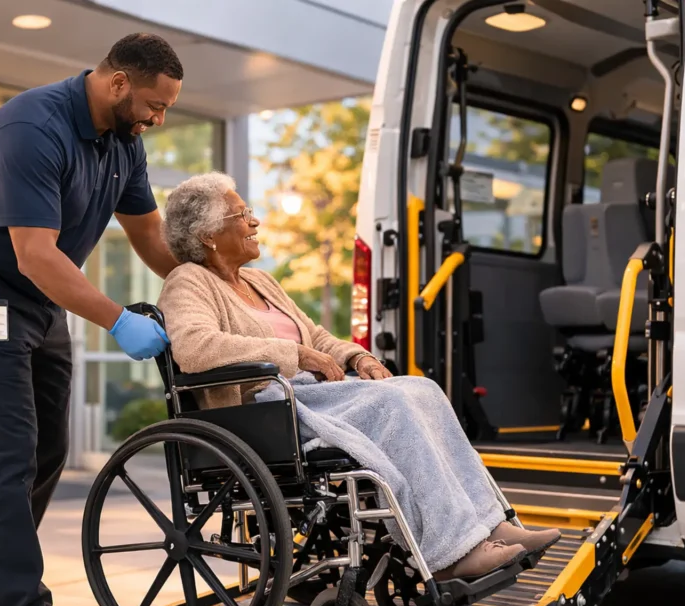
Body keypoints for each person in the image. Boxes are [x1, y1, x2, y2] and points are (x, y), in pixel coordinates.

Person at [155, 172, 562, 583]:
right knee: (393, 403)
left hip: (309, 393)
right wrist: (291, 355)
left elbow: (313, 336)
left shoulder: (260, 282)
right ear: (207, 234)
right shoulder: (188, 281)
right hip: (268, 407)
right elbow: (193, 347)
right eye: (243, 214)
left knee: (423, 388)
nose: (255, 222)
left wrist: (357, 357)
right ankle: (454, 551)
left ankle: (492, 524)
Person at [0, 33, 183, 606]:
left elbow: (147, 230)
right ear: (118, 82)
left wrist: (196, 287)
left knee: (45, 449)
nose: (158, 118)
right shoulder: (32, 125)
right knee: (1, 454)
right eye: (154, 103)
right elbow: (34, 252)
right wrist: (118, 319)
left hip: (40, 296)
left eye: (167, 108)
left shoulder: (124, 142)